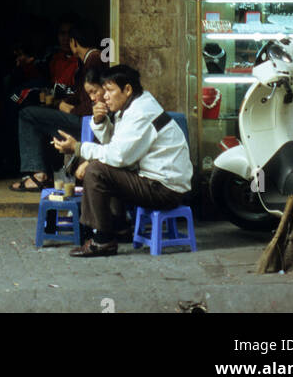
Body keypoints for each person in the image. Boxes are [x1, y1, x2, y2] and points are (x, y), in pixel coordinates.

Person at [51, 63, 193, 258]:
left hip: (164, 189)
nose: (104, 96)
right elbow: (118, 145)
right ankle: (118, 228)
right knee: (104, 168)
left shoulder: (141, 112)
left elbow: (118, 156)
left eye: (110, 90)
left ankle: (103, 240)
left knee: (96, 171)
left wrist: (78, 147)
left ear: (127, 89)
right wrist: (100, 122)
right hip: (156, 181)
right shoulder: (133, 106)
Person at [10, 24, 102, 191]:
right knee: (37, 114)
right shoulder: (86, 60)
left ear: (74, 42)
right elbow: (80, 94)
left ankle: (39, 175)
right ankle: (46, 172)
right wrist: (58, 104)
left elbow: (92, 104)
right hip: (82, 117)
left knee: (27, 114)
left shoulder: (94, 59)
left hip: (87, 122)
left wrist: (69, 109)